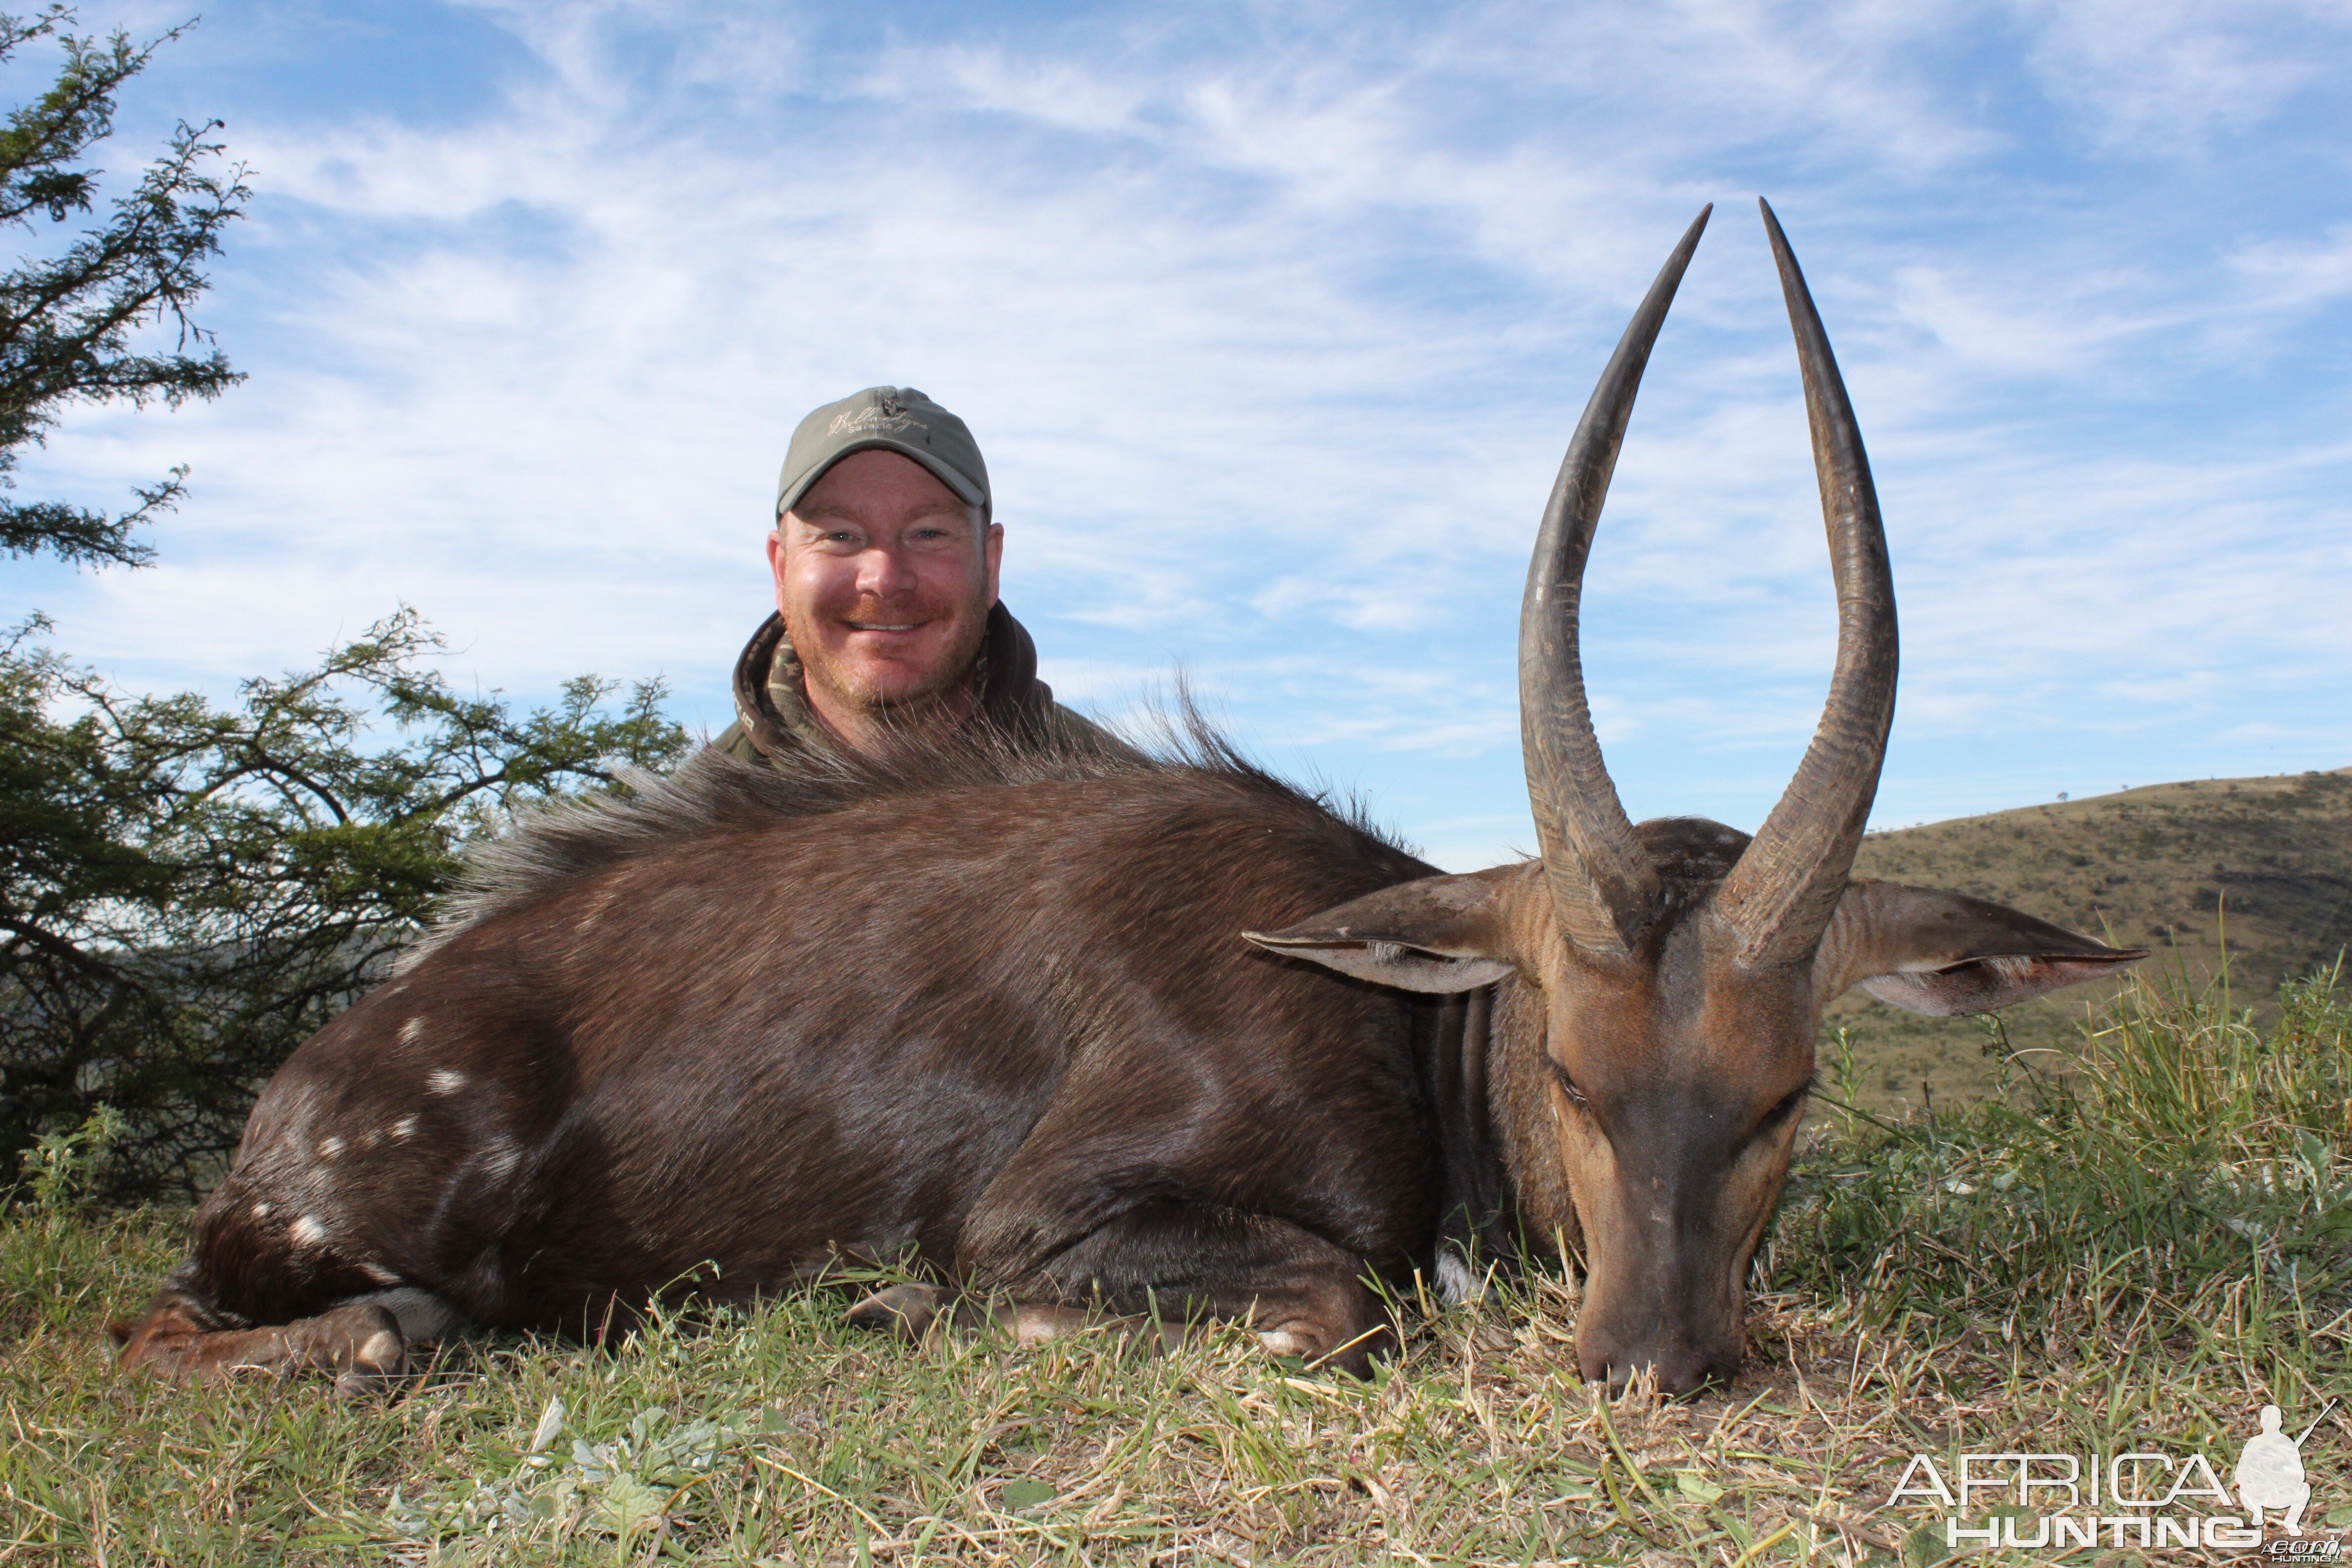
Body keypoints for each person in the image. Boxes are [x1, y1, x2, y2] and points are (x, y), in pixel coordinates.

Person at [714, 387, 1128, 765]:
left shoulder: (1130, 816)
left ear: (990, 562)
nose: (884, 578)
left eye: (928, 533)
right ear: (782, 569)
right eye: (840, 535)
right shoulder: (689, 831)